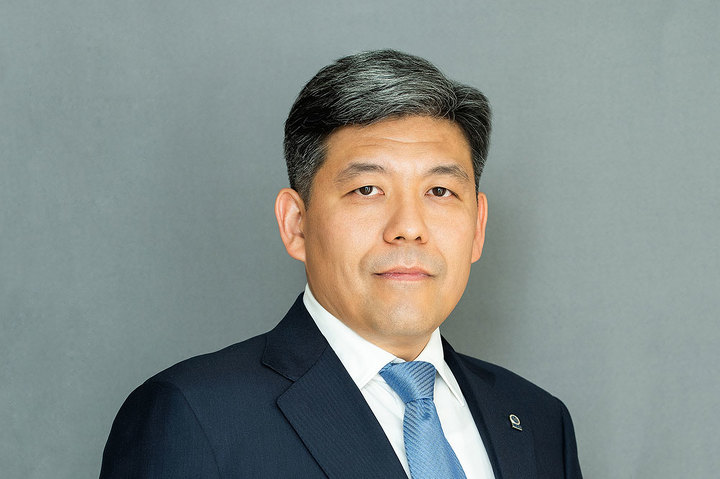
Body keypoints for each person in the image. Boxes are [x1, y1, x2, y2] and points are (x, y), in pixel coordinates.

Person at [100, 49, 583, 479]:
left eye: (440, 191)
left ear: (477, 227)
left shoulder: (539, 420)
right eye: (367, 189)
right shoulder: (194, 415)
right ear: (296, 224)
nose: (409, 227)